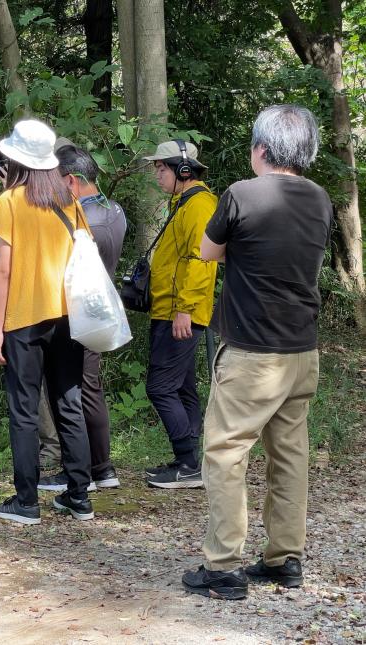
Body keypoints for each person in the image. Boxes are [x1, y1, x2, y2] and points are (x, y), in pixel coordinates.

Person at [182, 105, 332, 600]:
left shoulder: (241, 194)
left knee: (226, 452)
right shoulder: (320, 199)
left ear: (261, 149)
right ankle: (285, 560)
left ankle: (224, 566)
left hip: (251, 351)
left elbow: (208, 252)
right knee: (289, 455)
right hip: (301, 349)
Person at [0, 119, 95, 525]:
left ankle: (26, 502)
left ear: (14, 159)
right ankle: (79, 496)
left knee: (24, 410)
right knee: (69, 402)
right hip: (68, 317)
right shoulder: (69, 199)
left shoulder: (9, 203)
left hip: (25, 320)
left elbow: (2, 271)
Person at [37, 139, 126, 493]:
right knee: (89, 388)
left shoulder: (83, 220)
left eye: (56, 181)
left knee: (76, 391)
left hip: (80, 314)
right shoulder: (114, 210)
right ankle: (100, 469)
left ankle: (90, 471)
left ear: (72, 181)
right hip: (97, 310)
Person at [141, 140, 218, 489]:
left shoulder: (200, 205)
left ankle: (187, 462)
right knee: (183, 386)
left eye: (161, 168)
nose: (157, 175)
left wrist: (184, 309)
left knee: (160, 387)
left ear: (182, 170)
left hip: (180, 312)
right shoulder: (182, 202)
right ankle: (189, 461)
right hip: (169, 310)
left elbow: (200, 261)